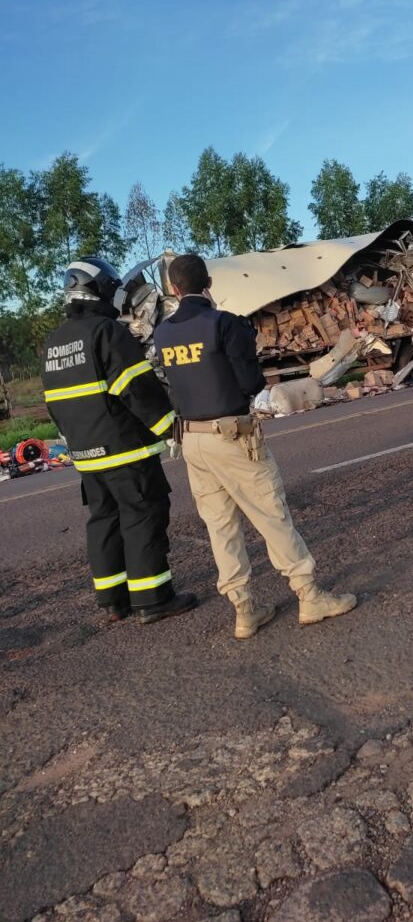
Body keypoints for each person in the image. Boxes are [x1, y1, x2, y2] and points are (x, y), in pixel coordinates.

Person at [154, 253, 356, 639]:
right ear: (208, 283)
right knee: (271, 515)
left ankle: (244, 609)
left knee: (221, 527)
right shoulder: (225, 324)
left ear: (174, 290)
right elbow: (251, 384)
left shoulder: (163, 334)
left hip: (191, 440)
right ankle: (308, 594)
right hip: (232, 436)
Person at [41, 257, 197, 624]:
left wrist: (76, 443)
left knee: (104, 519)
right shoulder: (107, 332)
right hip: (124, 448)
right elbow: (135, 388)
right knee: (143, 514)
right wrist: (167, 426)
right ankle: (153, 599)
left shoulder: (54, 342)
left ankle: (113, 600)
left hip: (85, 455)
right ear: (99, 291)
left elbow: (53, 404)